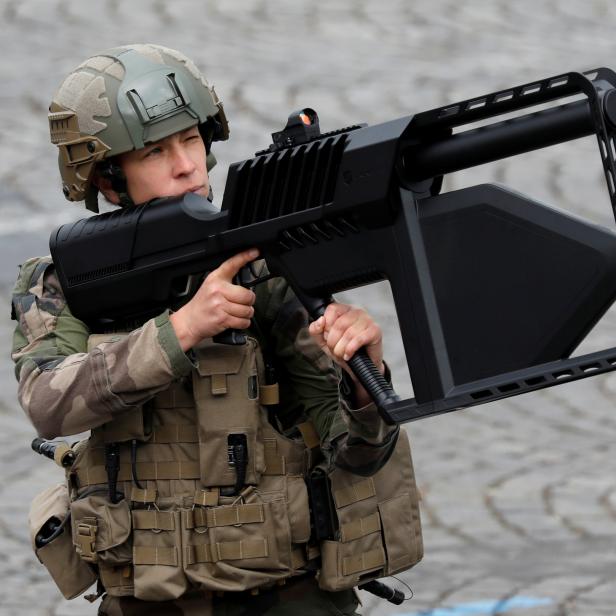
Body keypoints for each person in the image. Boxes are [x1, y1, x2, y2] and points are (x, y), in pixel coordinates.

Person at [11, 44, 422, 615]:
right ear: (108, 180)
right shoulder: (62, 284)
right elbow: (49, 404)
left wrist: (364, 379)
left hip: (289, 596)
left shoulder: (264, 266)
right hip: (148, 601)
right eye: (156, 151)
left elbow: (356, 453)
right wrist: (179, 331)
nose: (187, 164)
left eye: (191, 140)